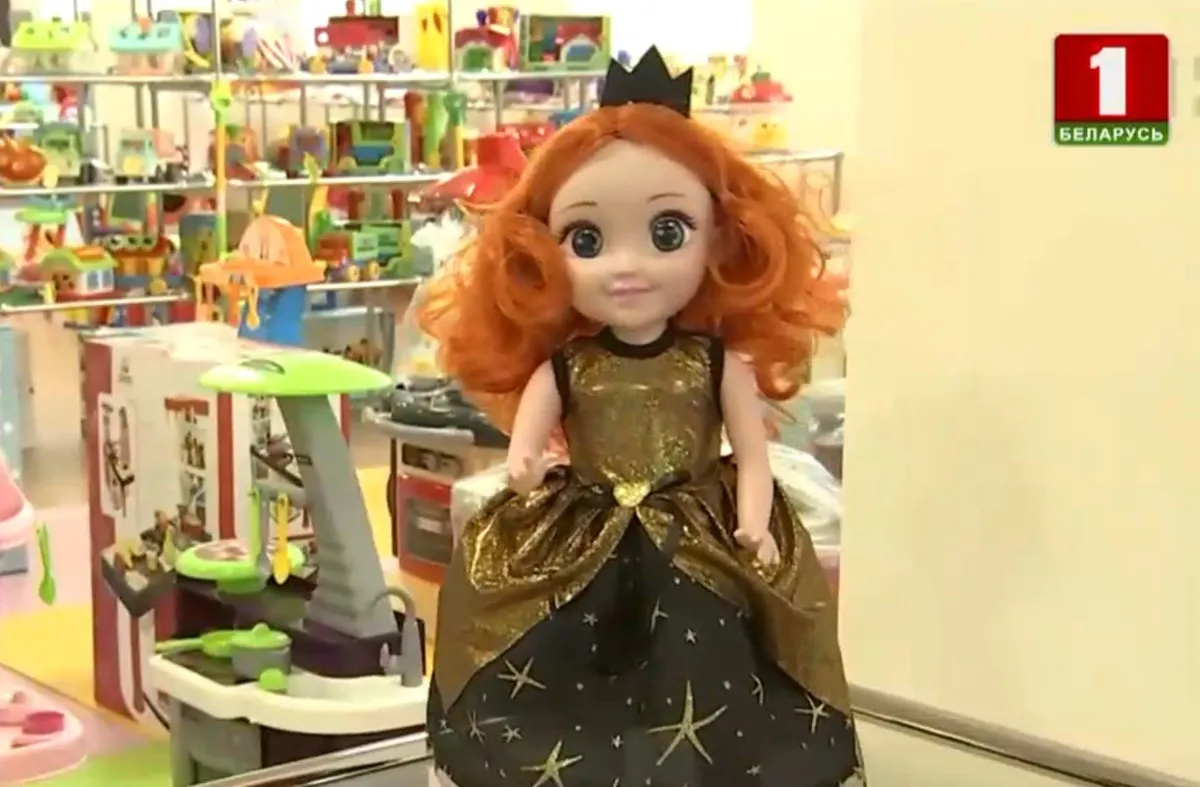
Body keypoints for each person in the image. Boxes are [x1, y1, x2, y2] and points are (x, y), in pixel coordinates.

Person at [419, 46, 863, 787]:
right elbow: (523, 450)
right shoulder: (568, 366)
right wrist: (524, 470)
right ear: (540, 250)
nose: (626, 266)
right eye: (587, 240)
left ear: (722, 237)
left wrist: (754, 522)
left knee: (706, 670)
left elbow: (752, 457)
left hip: (700, 538)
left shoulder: (716, 363)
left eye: (667, 232)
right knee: (563, 670)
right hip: (580, 534)